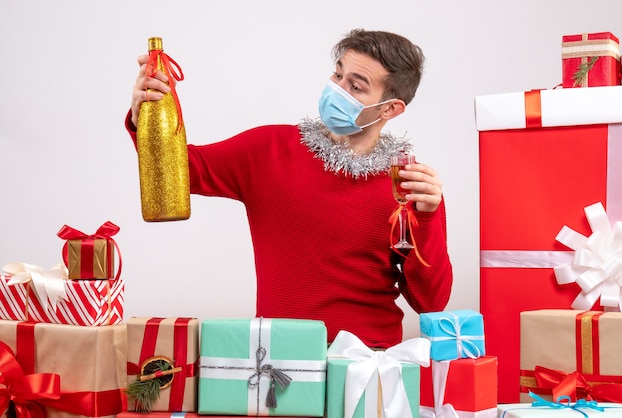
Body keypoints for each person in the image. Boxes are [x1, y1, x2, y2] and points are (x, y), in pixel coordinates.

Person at [126, 29, 453, 348]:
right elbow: (180, 171)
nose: (337, 89)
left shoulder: (407, 187)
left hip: (367, 365)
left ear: (390, 109)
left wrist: (426, 218)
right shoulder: (270, 150)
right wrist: (147, 119)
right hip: (277, 361)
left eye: (355, 86)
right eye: (338, 76)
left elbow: (430, 303)